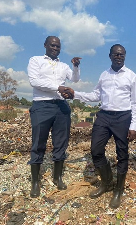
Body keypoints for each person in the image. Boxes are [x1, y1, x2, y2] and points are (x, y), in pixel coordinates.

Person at [65, 44, 136, 209]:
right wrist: (75, 94)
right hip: (104, 116)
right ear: (110, 56)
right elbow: (95, 95)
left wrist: (133, 126)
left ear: (125, 56)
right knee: (96, 150)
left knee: (122, 154)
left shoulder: (132, 76)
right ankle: (107, 183)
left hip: (123, 117)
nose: (118, 57)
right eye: (115, 54)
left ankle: (118, 190)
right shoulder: (104, 75)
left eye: (121, 54)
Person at [27, 36, 81, 198]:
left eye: (58, 46)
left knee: (61, 142)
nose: (55, 48)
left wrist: (76, 67)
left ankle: (57, 177)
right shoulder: (35, 61)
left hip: (61, 107)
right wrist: (58, 87)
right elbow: (34, 82)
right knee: (38, 142)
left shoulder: (63, 66)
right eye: (52, 45)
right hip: (42, 105)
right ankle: (35, 182)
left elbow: (75, 79)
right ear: (45, 45)